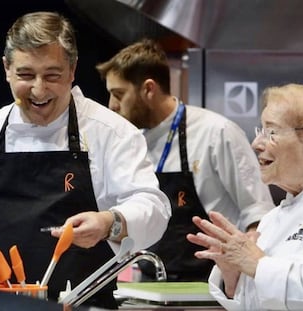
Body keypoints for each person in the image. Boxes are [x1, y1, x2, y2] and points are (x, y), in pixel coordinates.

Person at [0, 12, 171, 309]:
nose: (39, 90)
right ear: (6, 69)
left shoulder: (110, 132)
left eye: (52, 75)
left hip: (85, 304)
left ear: (72, 70)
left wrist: (109, 222)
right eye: (26, 75)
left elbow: (152, 206)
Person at [95, 38, 274, 282]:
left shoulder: (216, 132)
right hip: (151, 284)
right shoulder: (129, 141)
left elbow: (257, 212)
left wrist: (246, 279)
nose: (111, 106)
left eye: (118, 94)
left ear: (149, 89)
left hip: (214, 284)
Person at [187, 83, 303, 310]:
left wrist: (256, 264)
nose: (256, 144)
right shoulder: (273, 218)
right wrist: (232, 276)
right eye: (259, 131)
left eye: (270, 132)